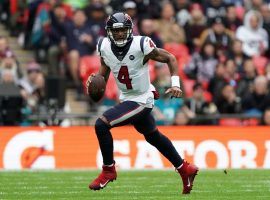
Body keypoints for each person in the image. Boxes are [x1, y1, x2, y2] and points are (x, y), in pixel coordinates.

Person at [86, 12, 198, 194]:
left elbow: (170, 58)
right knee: (152, 136)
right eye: (117, 31)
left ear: (130, 30)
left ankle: (108, 170)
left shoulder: (141, 44)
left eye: (123, 30)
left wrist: (175, 83)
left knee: (101, 124)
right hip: (128, 98)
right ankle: (184, 168)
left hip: (141, 99)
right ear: (109, 32)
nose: (120, 34)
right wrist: (95, 84)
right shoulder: (104, 47)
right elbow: (103, 74)